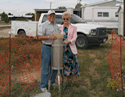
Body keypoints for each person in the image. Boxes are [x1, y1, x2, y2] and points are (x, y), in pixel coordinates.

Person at [37, 10, 61, 92]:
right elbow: (39, 37)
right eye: (50, 15)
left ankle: (52, 81)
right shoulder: (44, 25)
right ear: (47, 16)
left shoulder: (56, 26)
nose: (52, 17)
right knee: (45, 67)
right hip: (46, 47)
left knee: (54, 66)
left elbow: (58, 36)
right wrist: (48, 37)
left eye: (53, 15)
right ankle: (43, 86)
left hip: (56, 48)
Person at [59, 12, 79, 82]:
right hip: (62, 48)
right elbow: (58, 36)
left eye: (67, 19)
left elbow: (75, 37)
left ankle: (70, 78)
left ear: (69, 19)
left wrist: (69, 41)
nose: (65, 20)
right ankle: (63, 77)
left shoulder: (74, 27)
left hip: (70, 47)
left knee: (71, 62)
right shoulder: (60, 27)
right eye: (64, 19)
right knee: (63, 63)